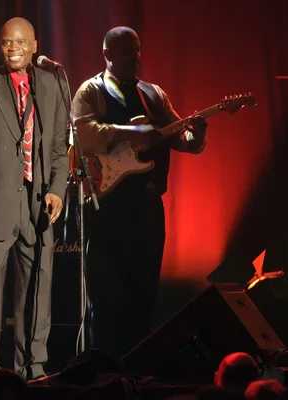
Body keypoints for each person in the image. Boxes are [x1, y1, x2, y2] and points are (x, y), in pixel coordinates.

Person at [71, 26, 208, 359]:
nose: (135, 56)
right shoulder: (92, 90)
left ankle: (137, 366)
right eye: (126, 51)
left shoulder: (154, 93)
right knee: (107, 297)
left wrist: (199, 133)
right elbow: (84, 134)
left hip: (147, 206)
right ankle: (104, 368)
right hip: (107, 206)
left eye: (137, 49)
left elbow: (182, 140)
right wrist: (134, 132)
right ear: (107, 55)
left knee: (144, 290)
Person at [0, 17, 69, 379]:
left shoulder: (52, 85)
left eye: (21, 42)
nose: (14, 48)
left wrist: (56, 190)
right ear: (0, 46)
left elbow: (57, 149)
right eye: (7, 42)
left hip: (37, 208)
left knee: (37, 289)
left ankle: (32, 367)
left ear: (35, 45)